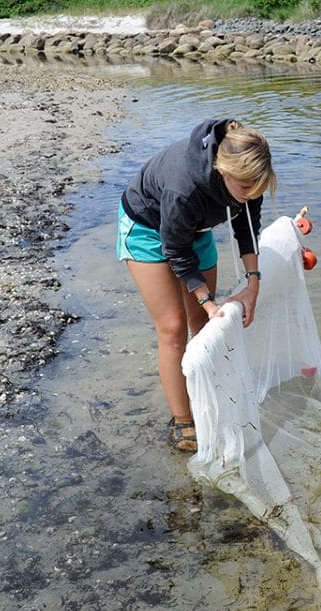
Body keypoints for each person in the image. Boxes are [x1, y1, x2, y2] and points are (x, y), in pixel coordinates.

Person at [118, 119, 277, 452]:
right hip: (147, 227)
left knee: (205, 324)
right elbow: (175, 249)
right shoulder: (184, 186)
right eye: (246, 188)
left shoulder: (252, 179)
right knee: (173, 327)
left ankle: (208, 394)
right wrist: (206, 298)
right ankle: (183, 420)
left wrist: (253, 282)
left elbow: (247, 229)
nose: (252, 194)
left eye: (258, 187)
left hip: (197, 229)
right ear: (223, 171)